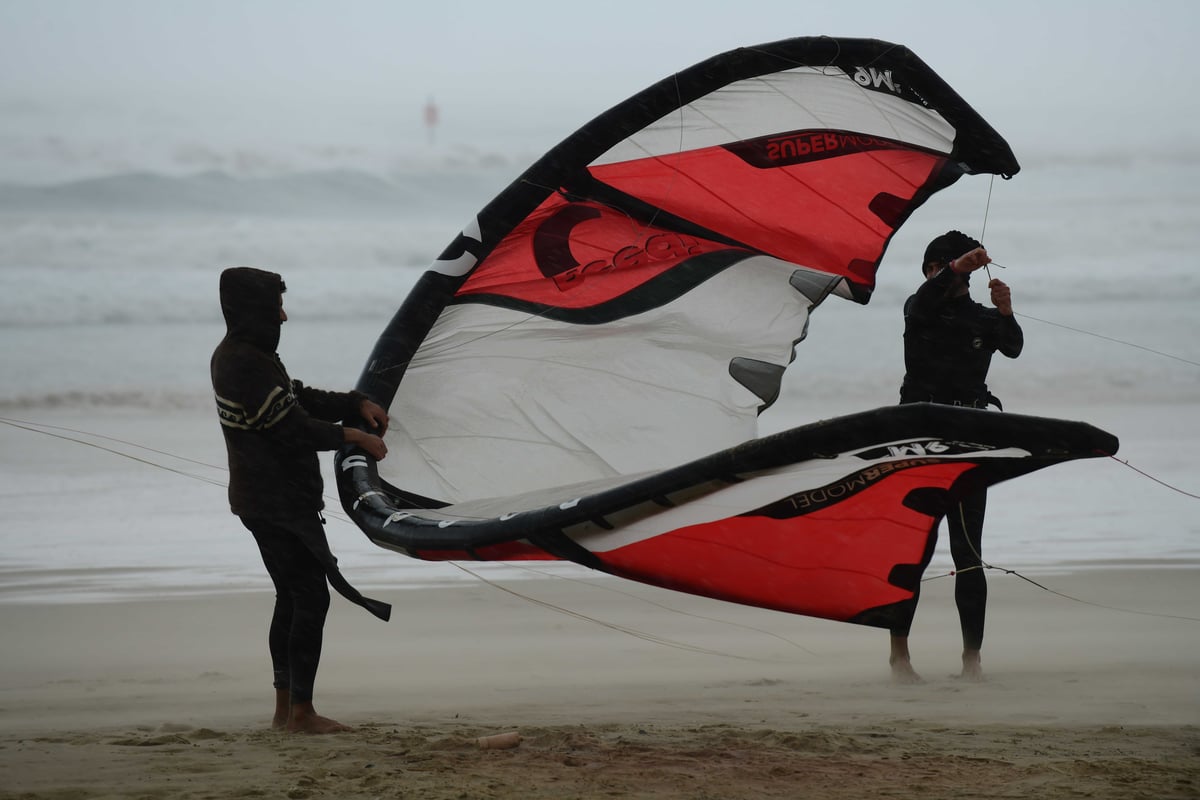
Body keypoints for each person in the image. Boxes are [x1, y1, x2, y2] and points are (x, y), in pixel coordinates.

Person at [211, 266, 393, 733]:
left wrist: (355, 402)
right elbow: (291, 429)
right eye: (277, 306)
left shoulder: (249, 356)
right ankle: (301, 714)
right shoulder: (242, 362)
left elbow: (297, 399)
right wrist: (355, 435)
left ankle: (286, 711)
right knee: (309, 597)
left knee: (293, 597)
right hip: (275, 503)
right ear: (256, 310)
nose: (284, 316)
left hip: (268, 500)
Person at [889, 230, 1024, 684]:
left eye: (941, 267)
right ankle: (899, 658)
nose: (934, 274)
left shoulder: (979, 317)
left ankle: (972, 661)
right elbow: (926, 300)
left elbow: (1012, 345)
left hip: (969, 441)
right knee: (911, 554)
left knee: (968, 552)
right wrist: (956, 268)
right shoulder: (919, 308)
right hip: (919, 445)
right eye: (933, 268)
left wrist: (1006, 311)